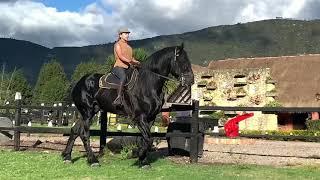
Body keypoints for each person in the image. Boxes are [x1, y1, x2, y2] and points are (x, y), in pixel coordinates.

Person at [112, 27, 140, 107]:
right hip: (119, 67)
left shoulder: (129, 47)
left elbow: (131, 58)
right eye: (125, 33)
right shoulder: (117, 44)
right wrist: (130, 61)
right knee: (123, 77)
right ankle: (119, 97)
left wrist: (137, 62)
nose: (127, 35)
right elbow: (120, 56)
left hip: (128, 68)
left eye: (128, 34)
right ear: (120, 35)